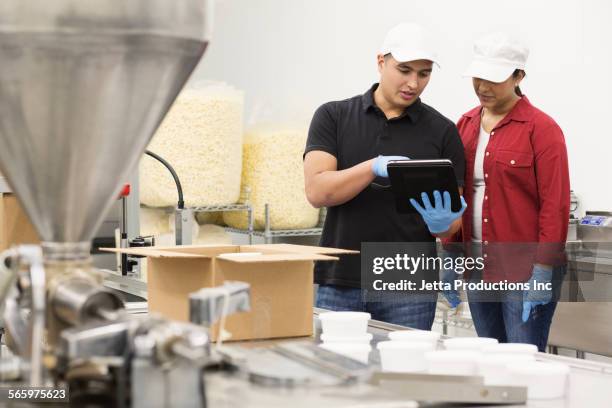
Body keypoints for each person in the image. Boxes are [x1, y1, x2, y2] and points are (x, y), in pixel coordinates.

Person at [303, 23, 466, 329]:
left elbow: (452, 223)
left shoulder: (442, 131)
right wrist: (372, 167)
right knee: (339, 373)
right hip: (342, 279)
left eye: (424, 73)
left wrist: (443, 223)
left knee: (403, 374)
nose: (413, 83)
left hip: (408, 284)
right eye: (404, 70)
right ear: (381, 62)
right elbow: (317, 191)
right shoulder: (334, 117)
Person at [445, 32, 570, 351]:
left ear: (519, 76)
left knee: (523, 361)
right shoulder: (465, 124)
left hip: (524, 271)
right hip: (477, 267)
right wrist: (449, 253)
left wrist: (543, 271)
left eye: (494, 78)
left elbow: (554, 206)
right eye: (478, 77)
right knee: (490, 355)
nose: (483, 87)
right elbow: (453, 194)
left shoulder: (542, 129)